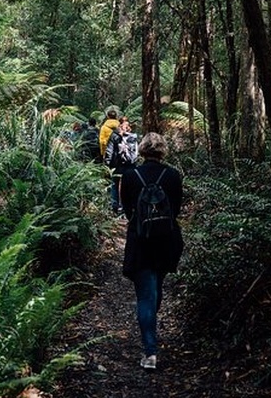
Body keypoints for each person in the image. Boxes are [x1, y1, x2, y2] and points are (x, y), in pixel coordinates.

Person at [120, 132, 184, 371]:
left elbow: (128, 211)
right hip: (167, 241)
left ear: (143, 150)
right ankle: (150, 342)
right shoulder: (173, 175)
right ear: (163, 151)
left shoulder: (130, 176)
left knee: (147, 295)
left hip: (141, 242)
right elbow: (176, 209)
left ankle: (150, 353)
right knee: (155, 290)